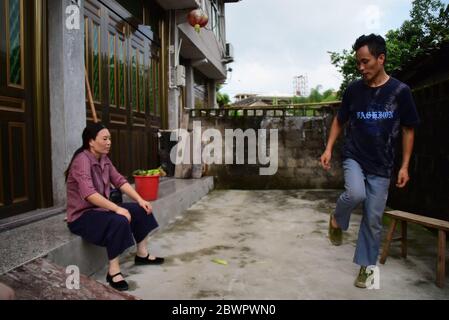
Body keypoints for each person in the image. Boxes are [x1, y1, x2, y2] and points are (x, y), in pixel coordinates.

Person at [320, 34, 420, 288]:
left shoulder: (400, 91)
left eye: (365, 62)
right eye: (358, 63)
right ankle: (337, 218)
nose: (361, 68)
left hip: (383, 164)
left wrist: (405, 165)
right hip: (355, 155)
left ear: (381, 58)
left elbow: (409, 129)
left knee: (374, 219)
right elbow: (340, 120)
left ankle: (366, 268)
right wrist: (329, 148)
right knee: (355, 194)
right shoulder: (354, 90)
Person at [66, 122, 164, 291]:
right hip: (82, 216)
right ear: (91, 141)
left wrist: (140, 199)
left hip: (100, 210)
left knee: (142, 209)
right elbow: (89, 194)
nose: (109, 142)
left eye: (109, 138)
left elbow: (119, 180)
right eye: (105, 139)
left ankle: (142, 254)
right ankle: (113, 271)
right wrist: (117, 208)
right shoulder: (82, 160)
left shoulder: (103, 158)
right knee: (119, 220)